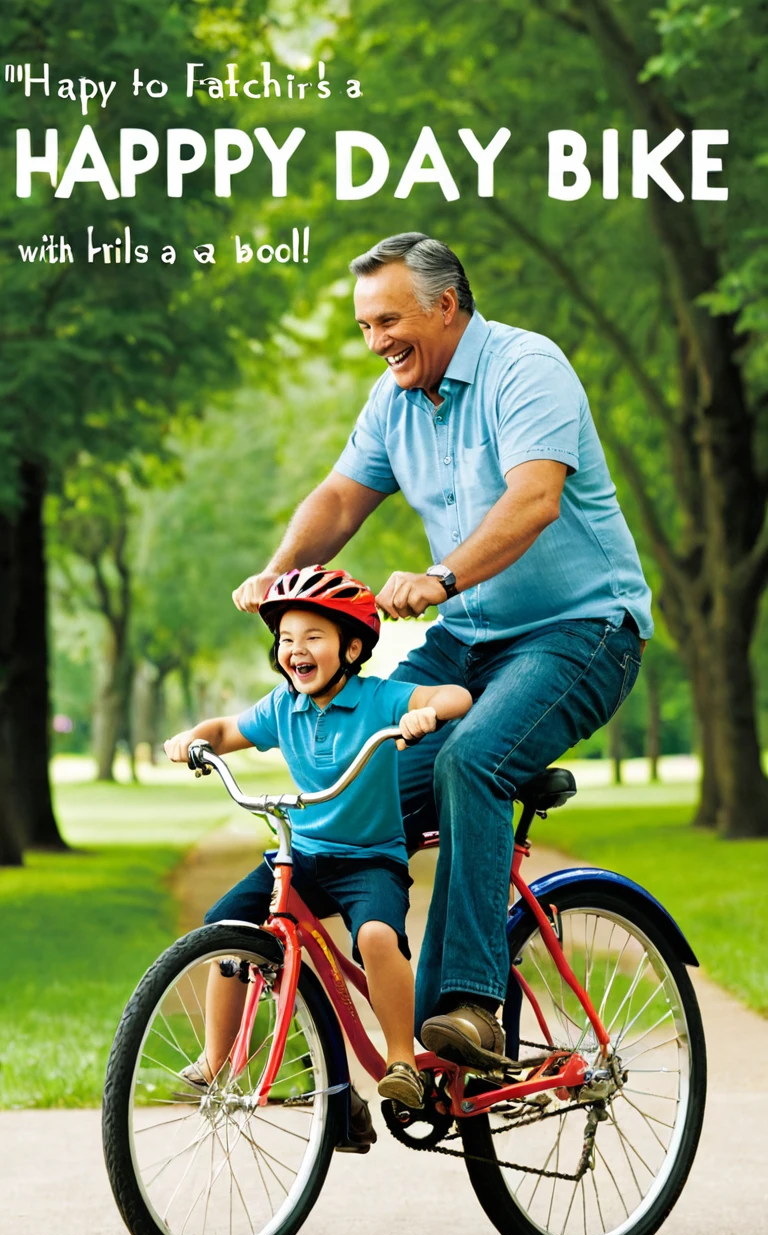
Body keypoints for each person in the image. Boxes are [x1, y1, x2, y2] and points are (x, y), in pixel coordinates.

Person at [232, 233, 652, 1073]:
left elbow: (533, 501)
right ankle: (316, 1038)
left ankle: (469, 1007)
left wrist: (439, 576)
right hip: (469, 643)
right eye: (363, 325)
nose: (376, 339)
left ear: (446, 306)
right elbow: (342, 495)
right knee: (357, 768)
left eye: (389, 319)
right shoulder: (393, 402)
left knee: (472, 762)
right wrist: (277, 575)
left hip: (581, 631)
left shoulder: (526, 369)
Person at [164, 565, 472, 1132]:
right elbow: (229, 729)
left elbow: (456, 694)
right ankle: (215, 1058)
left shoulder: (379, 699)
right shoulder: (284, 707)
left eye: (312, 638)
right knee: (223, 928)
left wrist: (428, 713)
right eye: (285, 639)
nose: (295, 650)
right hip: (301, 854)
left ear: (351, 647)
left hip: (369, 861)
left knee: (377, 937)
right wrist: (194, 739)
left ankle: (401, 1060)